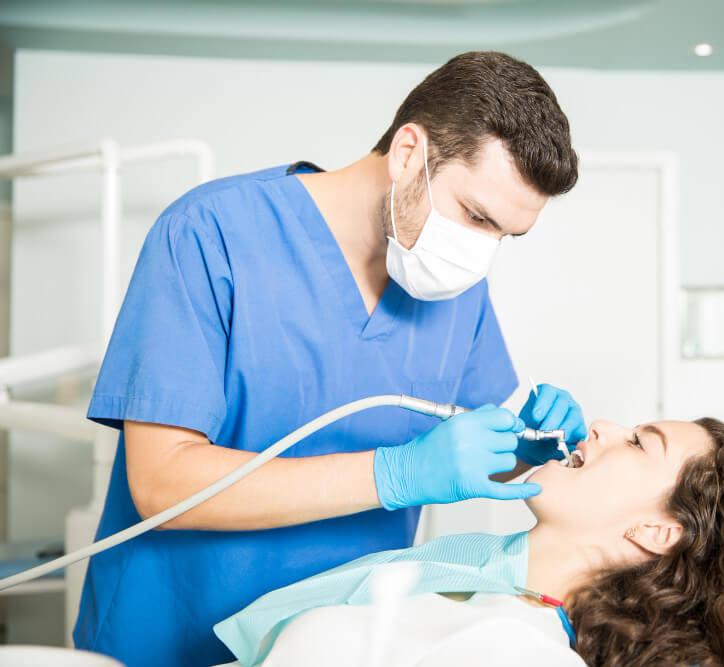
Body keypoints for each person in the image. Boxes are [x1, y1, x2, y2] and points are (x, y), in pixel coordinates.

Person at [75, 51, 588, 666]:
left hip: (332, 646)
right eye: (476, 215)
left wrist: (523, 451)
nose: (479, 253)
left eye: (503, 234)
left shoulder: (456, 290)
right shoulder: (211, 232)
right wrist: (394, 474)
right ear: (408, 154)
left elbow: (456, 459)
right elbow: (161, 483)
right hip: (169, 635)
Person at [215, 416, 724, 667]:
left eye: (637, 442)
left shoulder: (520, 651)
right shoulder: (491, 575)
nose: (602, 426)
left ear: (656, 532)